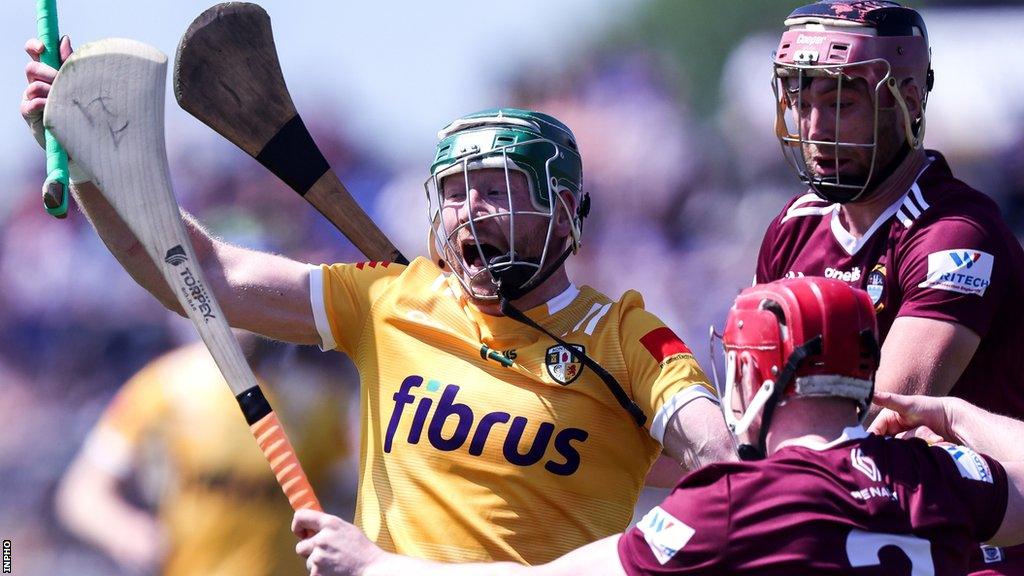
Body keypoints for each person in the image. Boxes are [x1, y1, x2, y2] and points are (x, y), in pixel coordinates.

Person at [22, 39, 735, 564]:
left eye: (495, 189)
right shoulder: (391, 300)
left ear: (567, 208)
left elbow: (725, 462)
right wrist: (94, 162)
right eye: (454, 192)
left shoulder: (628, 339)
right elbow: (195, 273)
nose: (468, 210)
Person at [291, 276, 1024, 575]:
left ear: (750, 373)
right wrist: (959, 414)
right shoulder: (943, 475)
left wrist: (379, 565)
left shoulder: (739, 500)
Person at [753, 4, 1024, 570]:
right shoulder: (791, 227)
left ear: (909, 101)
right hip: (858, 527)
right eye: (802, 102)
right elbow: (758, 400)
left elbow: (884, 417)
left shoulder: (956, 232)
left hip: (979, 547)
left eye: (840, 103)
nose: (814, 128)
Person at [54, 337, 353, 576]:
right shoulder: (166, 387)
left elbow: (351, 495)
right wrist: (128, 532)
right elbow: (82, 493)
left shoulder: (317, 399)